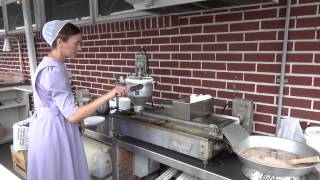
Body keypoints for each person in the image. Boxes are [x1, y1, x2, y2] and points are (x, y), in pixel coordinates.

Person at [27, 20, 128, 180]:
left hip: (50, 127)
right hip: (54, 133)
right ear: (60, 42)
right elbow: (73, 114)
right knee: (60, 174)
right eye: (77, 43)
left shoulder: (53, 64)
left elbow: (62, 106)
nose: (80, 48)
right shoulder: (53, 71)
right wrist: (110, 94)